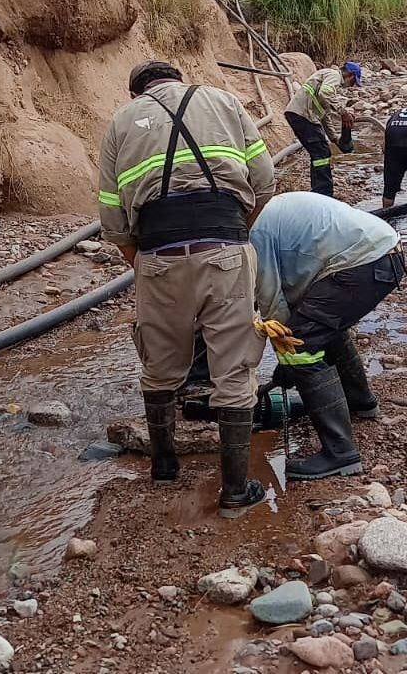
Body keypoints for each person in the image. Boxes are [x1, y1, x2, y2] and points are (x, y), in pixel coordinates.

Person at [97, 60, 275, 518]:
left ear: (137, 93)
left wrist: (146, 266)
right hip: (227, 246)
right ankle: (235, 490)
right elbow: (265, 180)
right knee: (234, 370)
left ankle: (164, 467)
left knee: (160, 367)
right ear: (179, 79)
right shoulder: (224, 101)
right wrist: (235, 234)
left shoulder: (121, 121)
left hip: (157, 255)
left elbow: (113, 220)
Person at [250, 191, 405, 480]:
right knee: (321, 326)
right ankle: (359, 401)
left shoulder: (255, 232)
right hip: (385, 252)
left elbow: (272, 304)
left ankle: (340, 452)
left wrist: (287, 357)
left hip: (365, 262)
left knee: (299, 347)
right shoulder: (271, 210)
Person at [284, 62, 362, 197]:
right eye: (354, 81)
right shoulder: (334, 75)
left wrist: (334, 138)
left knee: (319, 151)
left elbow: (324, 114)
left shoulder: (328, 79)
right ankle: (323, 193)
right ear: (350, 75)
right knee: (321, 152)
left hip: (301, 115)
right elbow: (324, 93)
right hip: (303, 115)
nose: (352, 86)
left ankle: (318, 191)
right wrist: (343, 113)